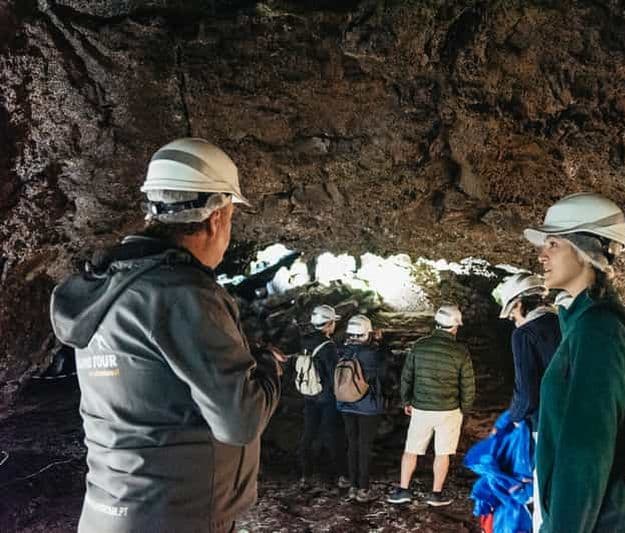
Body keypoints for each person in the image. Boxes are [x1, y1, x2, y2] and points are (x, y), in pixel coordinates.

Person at [50, 138, 283, 533]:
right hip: (175, 514)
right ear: (218, 218)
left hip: (108, 511)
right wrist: (267, 368)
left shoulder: (107, 288)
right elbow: (240, 421)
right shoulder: (183, 295)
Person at [524, 192, 625, 532]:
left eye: (553, 243)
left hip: (603, 521)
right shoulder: (582, 322)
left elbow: (586, 453)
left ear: (586, 252)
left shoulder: (599, 330)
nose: (541, 255)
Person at [387, 304, 475, 507]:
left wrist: (406, 401)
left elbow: (407, 377)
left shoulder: (419, 345)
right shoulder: (460, 351)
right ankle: (435, 494)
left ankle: (403, 490)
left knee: (411, 450)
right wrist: (465, 408)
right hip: (449, 410)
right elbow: (468, 384)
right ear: (455, 327)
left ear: (436, 323)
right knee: (442, 453)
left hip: (421, 409)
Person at [495, 273, 561, 434]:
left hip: (545, 423)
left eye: (512, 316)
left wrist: (515, 418)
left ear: (518, 304)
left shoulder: (523, 334)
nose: (514, 321)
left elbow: (526, 394)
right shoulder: (564, 322)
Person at [336, 314, 388, 503]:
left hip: (345, 405)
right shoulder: (373, 354)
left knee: (352, 444)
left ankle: (352, 486)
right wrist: (382, 344)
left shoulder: (342, 351)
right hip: (367, 407)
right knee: (364, 446)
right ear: (368, 333)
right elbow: (384, 373)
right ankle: (363, 488)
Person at [297, 304, 348, 488]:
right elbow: (335, 375)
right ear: (328, 325)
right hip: (326, 399)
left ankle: (305, 475)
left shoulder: (305, 342)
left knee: (308, 434)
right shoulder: (328, 347)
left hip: (309, 395)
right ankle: (343, 475)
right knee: (333, 435)